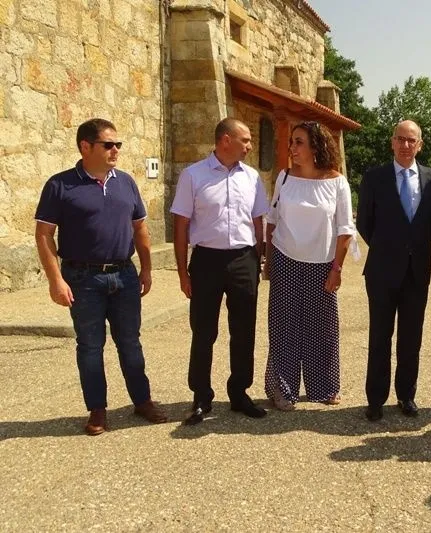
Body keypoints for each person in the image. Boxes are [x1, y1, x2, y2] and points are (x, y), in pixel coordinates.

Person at [34, 118, 167, 436]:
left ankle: (142, 401)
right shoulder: (60, 185)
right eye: (109, 144)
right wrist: (56, 280)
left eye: (118, 144)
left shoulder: (126, 183)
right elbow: (43, 234)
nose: (116, 150)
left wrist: (146, 268)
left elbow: (140, 229)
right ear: (85, 146)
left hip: (124, 274)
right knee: (90, 346)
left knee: (130, 342)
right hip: (82, 278)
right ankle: (97, 410)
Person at [170, 118, 268, 424]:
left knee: (243, 331)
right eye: (245, 140)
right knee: (203, 331)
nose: (250, 146)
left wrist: (260, 258)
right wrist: (183, 274)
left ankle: (239, 393)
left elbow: (258, 221)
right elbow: (181, 225)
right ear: (225, 140)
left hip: (243, 260)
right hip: (206, 262)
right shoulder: (193, 176)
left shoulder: (252, 177)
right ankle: (201, 396)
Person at [264, 121, 357, 410]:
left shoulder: (337, 182)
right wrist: (267, 259)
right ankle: (282, 388)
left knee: (323, 326)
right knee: (283, 325)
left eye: (299, 142)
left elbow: (345, 228)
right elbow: (272, 220)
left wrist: (337, 269)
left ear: (316, 146)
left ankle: (325, 386)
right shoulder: (285, 177)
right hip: (284, 257)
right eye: (291, 142)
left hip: (322, 263)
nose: (292, 148)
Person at [357, 120, 431, 421]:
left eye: (412, 140)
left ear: (420, 144)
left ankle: (406, 396)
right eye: (401, 140)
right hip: (382, 271)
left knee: (411, 339)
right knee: (380, 337)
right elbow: (364, 224)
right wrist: (388, 248)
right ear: (392, 142)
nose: (406, 145)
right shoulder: (374, 178)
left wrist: (410, 248)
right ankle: (375, 400)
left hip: (416, 272)